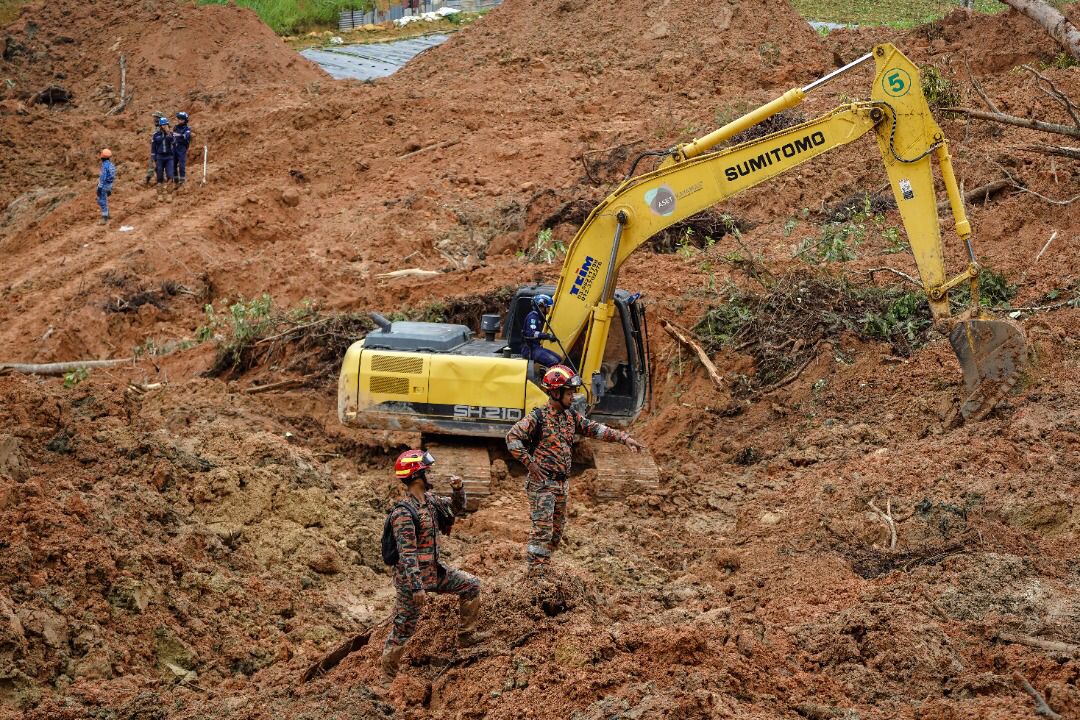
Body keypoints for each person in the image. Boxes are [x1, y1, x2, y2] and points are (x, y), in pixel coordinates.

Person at [505, 365, 645, 576]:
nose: (573, 397)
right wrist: (530, 464)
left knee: (555, 534)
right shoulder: (538, 418)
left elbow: (595, 428)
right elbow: (512, 438)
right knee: (542, 532)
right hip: (542, 485)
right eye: (569, 393)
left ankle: (544, 570)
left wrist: (623, 438)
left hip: (562, 484)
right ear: (555, 392)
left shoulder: (570, 416)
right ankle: (536, 578)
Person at [381, 449, 489, 678]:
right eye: (427, 471)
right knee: (403, 628)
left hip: (434, 571)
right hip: (412, 582)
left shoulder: (430, 503)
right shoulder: (403, 513)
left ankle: (466, 637)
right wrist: (417, 587)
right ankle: (387, 678)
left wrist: (458, 490)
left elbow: (455, 509)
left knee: (471, 585)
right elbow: (407, 553)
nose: (431, 474)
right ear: (417, 476)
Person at [521, 294, 562, 368]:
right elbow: (531, 333)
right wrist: (547, 336)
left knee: (559, 358)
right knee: (553, 362)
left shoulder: (540, 317)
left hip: (536, 347)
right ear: (541, 306)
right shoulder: (533, 317)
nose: (549, 309)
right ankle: (549, 379)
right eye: (548, 307)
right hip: (530, 349)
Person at [150, 117, 175, 192]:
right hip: (159, 157)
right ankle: (160, 193)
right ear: (160, 126)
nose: (164, 126)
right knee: (159, 176)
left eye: (166, 124)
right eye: (163, 125)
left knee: (170, 175)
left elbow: (174, 142)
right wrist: (153, 160)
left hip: (169, 157)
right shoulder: (156, 135)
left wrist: (168, 132)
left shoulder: (171, 134)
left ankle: (169, 193)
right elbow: (153, 148)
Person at [96, 149, 116, 225]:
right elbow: (113, 176)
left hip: (104, 185)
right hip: (109, 184)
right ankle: (107, 214)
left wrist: (99, 187)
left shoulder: (104, 166)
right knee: (104, 199)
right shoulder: (111, 165)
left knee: (101, 200)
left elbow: (103, 177)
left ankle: (105, 217)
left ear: (102, 157)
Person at [173, 112, 192, 185]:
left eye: (181, 119)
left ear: (185, 120)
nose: (179, 120)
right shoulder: (175, 127)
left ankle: (182, 181)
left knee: (181, 165)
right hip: (175, 147)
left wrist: (179, 135)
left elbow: (186, 136)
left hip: (182, 148)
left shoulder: (187, 128)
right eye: (178, 119)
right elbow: (173, 136)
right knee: (173, 164)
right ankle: (175, 180)